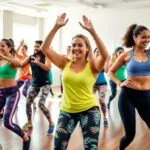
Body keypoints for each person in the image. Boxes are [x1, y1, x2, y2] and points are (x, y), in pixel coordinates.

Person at [41, 13, 108, 149]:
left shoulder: (93, 66)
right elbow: (45, 48)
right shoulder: (64, 63)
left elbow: (105, 54)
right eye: (73, 45)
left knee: (91, 147)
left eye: (80, 45)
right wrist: (56, 27)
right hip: (67, 110)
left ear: (87, 48)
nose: (76, 48)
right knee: (58, 146)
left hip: (90, 110)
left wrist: (92, 31)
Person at [108, 24, 150, 150]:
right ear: (135, 37)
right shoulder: (126, 55)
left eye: (148, 37)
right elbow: (110, 71)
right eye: (143, 37)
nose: (147, 40)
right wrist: (119, 83)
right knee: (130, 135)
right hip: (128, 97)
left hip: (146, 96)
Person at [0, 39, 30, 150]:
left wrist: (5, 57)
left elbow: (19, 64)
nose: (0, 48)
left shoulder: (11, 60)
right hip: (1, 92)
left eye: (2, 46)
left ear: (9, 48)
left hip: (12, 93)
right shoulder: (0, 61)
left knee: (7, 122)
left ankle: (25, 137)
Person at [21, 40, 54, 135]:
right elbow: (21, 64)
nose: (35, 48)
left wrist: (38, 62)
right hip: (34, 83)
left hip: (45, 83)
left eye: (38, 46)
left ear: (42, 47)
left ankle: (51, 124)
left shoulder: (46, 56)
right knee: (28, 102)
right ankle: (29, 123)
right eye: (34, 46)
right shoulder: (31, 57)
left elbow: (48, 68)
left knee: (41, 104)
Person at [93, 48, 108, 127]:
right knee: (87, 100)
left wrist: (107, 60)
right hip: (92, 84)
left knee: (101, 101)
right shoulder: (91, 61)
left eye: (100, 52)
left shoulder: (103, 61)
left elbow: (106, 70)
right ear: (94, 53)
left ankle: (105, 117)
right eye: (97, 52)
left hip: (102, 84)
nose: (98, 53)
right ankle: (85, 117)